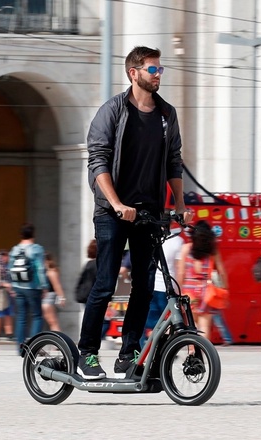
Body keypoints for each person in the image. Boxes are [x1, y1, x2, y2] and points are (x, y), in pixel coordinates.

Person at [76, 45, 193, 380]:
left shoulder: (166, 115)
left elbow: (174, 161)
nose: (159, 75)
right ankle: (88, 353)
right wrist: (115, 204)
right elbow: (98, 160)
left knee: (144, 284)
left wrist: (180, 205)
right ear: (134, 72)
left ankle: (128, 354)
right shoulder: (113, 111)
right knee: (106, 282)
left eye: (160, 69)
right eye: (153, 70)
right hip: (113, 212)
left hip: (149, 211)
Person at [177, 221, 228, 344]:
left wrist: (177, 293)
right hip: (206, 291)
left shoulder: (186, 249)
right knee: (204, 326)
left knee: (191, 326)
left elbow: (181, 273)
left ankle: (191, 355)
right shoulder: (212, 250)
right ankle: (201, 354)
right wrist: (225, 288)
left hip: (189, 292)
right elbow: (221, 272)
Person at [140, 223, 184, 349]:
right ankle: (164, 347)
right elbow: (179, 269)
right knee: (168, 322)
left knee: (147, 320)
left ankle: (142, 348)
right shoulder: (178, 241)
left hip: (152, 286)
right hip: (168, 289)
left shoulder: (153, 239)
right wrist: (178, 290)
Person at [8, 223, 48, 353]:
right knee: (37, 316)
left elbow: (9, 269)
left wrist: (12, 286)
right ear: (33, 234)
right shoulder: (36, 249)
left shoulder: (14, 249)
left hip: (18, 286)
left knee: (21, 317)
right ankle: (33, 347)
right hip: (33, 287)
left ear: (21, 235)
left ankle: (20, 348)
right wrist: (44, 286)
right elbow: (40, 268)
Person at [42, 253, 67, 331]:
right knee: (51, 321)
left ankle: (58, 339)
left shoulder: (51, 272)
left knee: (52, 321)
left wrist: (62, 298)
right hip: (47, 298)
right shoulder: (46, 272)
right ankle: (57, 339)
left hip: (49, 298)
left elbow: (57, 286)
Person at [0, 250, 14, 341]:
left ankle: (9, 333)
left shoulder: (9, 267)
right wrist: (5, 284)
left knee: (8, 313)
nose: (7, 258)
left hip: (8, 293)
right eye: (5, 256)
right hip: (0, 292)